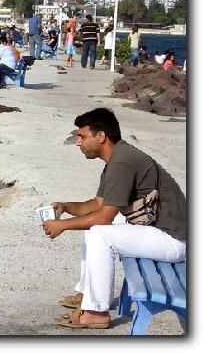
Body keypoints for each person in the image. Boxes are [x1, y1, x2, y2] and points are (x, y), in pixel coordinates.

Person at [42, 108, 186, 329]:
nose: (78, 143)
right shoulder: (117, 158)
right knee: (95, 227)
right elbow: (98, 205)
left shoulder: (122, 162)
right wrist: (65, 207)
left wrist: (62, 226)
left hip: (174, 239)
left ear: (101, 137)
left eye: (82, 136)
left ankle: (96, 313)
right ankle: (87, 294)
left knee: (100, 232)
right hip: (159, 229)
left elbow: (104, 216)